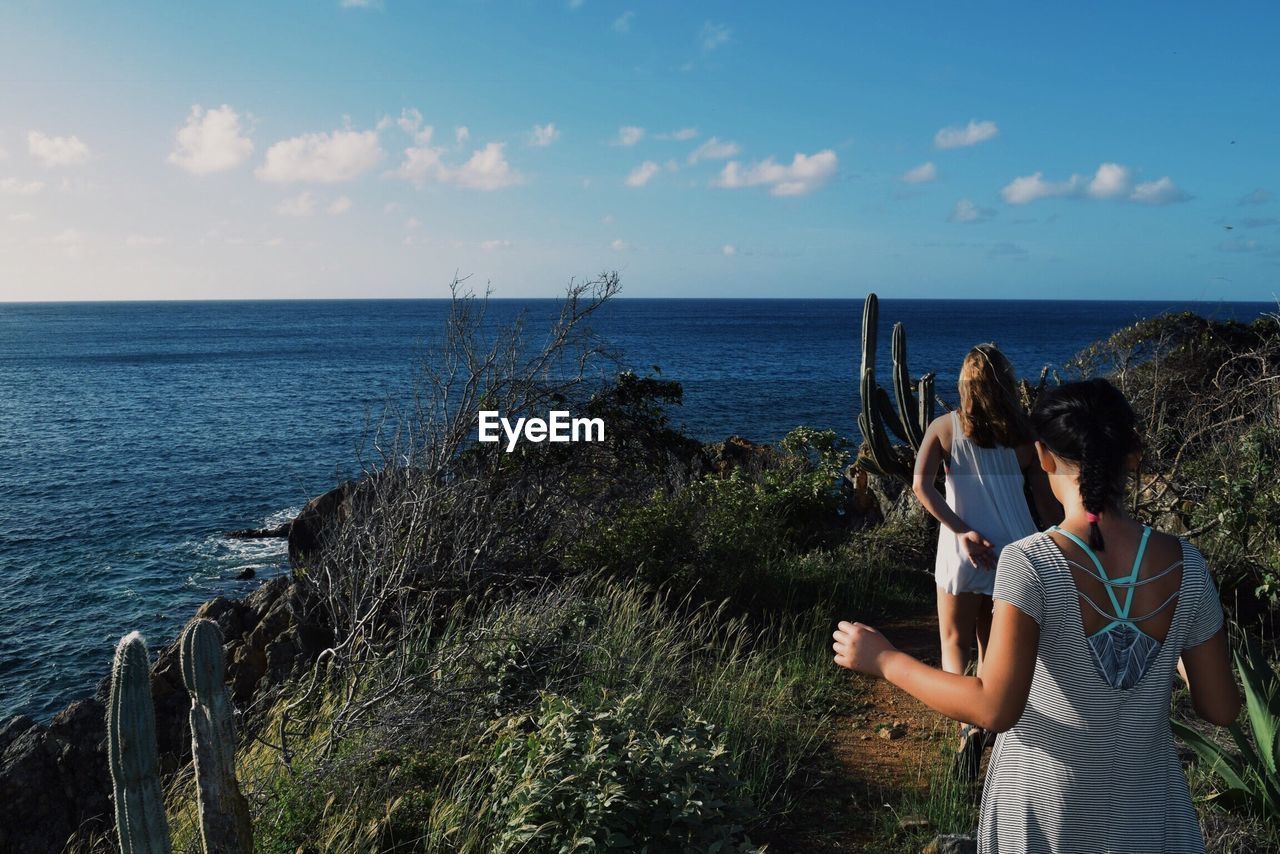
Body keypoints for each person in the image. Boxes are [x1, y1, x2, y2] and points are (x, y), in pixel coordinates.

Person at [834, 378, 1239, 854]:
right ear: (1133, 455)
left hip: (1043, 820)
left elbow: (994, 708)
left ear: (1043, 456)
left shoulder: (1033, 562)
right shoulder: (1187, 565)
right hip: (1151, 820)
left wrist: (884, 660)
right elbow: (1221, 707)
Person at [912, 344, 1059, 774]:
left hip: (962, 552)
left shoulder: (944, 427)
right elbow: (1047, 504)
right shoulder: (1026, 438)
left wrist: (962, 531)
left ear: (965, 384)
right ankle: (991, 722)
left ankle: (967, 727)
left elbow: (922, 486)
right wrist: (1061, 543)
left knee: (953, 642)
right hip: (1015, 555)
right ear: (1007, 384)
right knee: (992, 647)